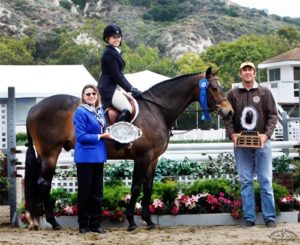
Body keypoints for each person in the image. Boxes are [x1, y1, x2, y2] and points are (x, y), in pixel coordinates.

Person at [224, 61, 278, 228]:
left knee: (265, 181)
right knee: (246, 181)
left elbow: (272, 115)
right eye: (244, 70)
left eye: (250, 70)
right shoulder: (232, 94)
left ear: (254, 73)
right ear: (240, 74)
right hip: (242, 144)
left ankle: (269, 217)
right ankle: (249, 218)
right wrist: (232, 134)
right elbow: (227, 117)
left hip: (262, 143)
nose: (247, 73)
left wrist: (266, 135)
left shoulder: (264, 92)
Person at [73, 84, 112, 233]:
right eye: (87, 94)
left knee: (97, 193)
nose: (91, 96)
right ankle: (83, 224)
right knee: (85, 192)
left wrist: (108, 133)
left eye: (93, 93)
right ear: (83, 97)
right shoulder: (80, 112)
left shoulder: (100, 111)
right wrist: (101, 136)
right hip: (85, 157)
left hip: (99, 156)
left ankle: (95, 224)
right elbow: (81, 137)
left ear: (97, 96)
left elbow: (102, 130)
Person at [97, 24, 143, 122]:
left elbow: (120, 75)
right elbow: (116, 75)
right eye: (114, 37)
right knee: (128, 109)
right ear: (107, 38)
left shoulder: (115, 51)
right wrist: (130, 89)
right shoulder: (109, 53)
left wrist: (131, 88)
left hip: (114, 88)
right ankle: (118, 135)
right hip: (108, 89)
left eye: (118, 37)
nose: (117, 39)